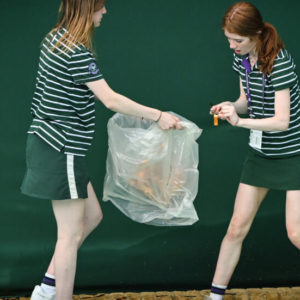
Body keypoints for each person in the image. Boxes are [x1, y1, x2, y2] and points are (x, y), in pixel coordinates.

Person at [21, 1, 183, 299]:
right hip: (61, 148)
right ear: (86, 9)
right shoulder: (77, 53)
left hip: (54, 146)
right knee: (68, 236)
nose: (105, 12)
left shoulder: (54, 38)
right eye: (100, 6)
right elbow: (110, 100)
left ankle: (45, 289)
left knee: (92, 216)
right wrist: (158, 116)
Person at [207, 2, 300, 300]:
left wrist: (240, 121)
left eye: (238, 40)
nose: (232, 46)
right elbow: (245, 100)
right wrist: (230, 107)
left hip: (293, 154)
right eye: (229, 39)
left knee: (295, 232)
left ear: (256, 33)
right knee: (236, 228)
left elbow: (283, 121)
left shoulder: (280, 62)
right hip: (260, 154)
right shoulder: (242, 58)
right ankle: (215, 296)